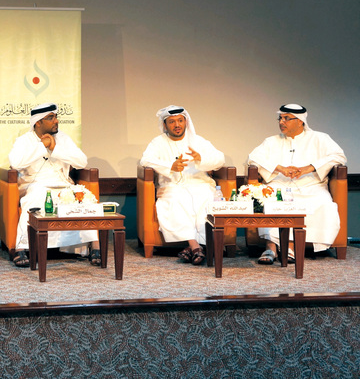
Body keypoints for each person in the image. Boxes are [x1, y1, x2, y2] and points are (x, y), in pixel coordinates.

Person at [248, 104, 347, 264]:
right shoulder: (271, 141)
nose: (281, 122)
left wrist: (309, 168)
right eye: (280, 118)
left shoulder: (320, 138)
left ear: (300, 121)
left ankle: (290, 247)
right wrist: (280, 168)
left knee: (323, 203)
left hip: (311, 186)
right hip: (279, 185)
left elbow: (339, 156)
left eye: (287, 118)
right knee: (269, 202)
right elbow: (253, 158)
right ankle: (271, 247)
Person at [8, 103, 99, 268]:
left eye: (56, 117)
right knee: (37, 199)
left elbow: (82, 162)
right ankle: (21, 247)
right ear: (38, 122)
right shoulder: (24, 140)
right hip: (36, 186)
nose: (56, 121)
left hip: (64, 185)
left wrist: (55, 147)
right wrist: (42, 146)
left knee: (83, 201)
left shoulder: (63, 139)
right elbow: (15, 163)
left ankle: (94, 245)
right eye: (50, 118)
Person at [140, 105, 225, 265]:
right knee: (177, 199)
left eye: (180, 120)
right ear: (165, 125)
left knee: (206, 197)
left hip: (200, 184)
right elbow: (145, 160)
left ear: (186, 121)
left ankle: (193, 248)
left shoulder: (198, 141)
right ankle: (195, 246)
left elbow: (220, 159)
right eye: (172, 122)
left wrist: (201, 159)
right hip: (172, 186)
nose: (177, 125)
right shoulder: (158, 142)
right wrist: (170, 166)